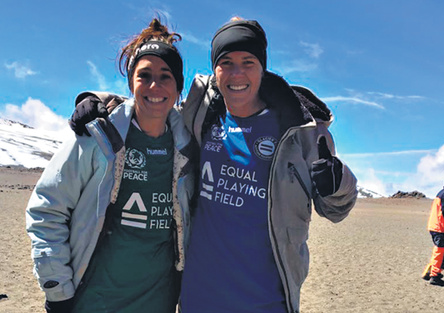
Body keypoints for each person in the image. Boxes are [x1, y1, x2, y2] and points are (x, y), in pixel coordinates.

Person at [69, 17, 358, 313]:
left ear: (263, 66)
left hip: (268, 302)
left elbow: (336, 208)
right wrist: (100, 101)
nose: (237, 73)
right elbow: (154, 105)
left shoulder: (301, 131)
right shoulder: (203, 114)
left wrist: (338, 183)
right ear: (214, 69)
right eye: (226, 62)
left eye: (248, 62)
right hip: (199, 298)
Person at [26, 17, 196, 313]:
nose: (155, 85)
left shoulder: (188, 146)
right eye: (145, 75)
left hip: (159, 302)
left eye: (166, 75)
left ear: (178, 86)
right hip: (92, 302)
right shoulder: (97, 137)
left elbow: (227, 89)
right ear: (132, 82)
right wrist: (57, 289)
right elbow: (47, 209)